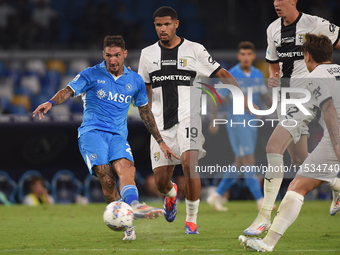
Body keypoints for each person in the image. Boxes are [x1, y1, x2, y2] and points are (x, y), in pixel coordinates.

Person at [33, 35, 178, 241]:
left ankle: (135, 205)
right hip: (92, 133)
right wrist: (50, 102)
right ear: (104, 55)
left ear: (124, 55)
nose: (113, 60)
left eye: (117, 55)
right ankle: (127, 225)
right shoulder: (91, 74)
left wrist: (161, 141)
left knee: (126, 168)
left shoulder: (135, 80)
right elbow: (68, 91)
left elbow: (145, 112)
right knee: (106, 176)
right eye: (109, 55)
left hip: (118, 136)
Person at [138, 6, 253, 234]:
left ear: (176, 24)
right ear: (155, 26)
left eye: (167, 24)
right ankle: (171, 195)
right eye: (159, 25)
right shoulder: (147, 54)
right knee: (161, 181)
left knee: (190, 166)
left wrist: (241, 99)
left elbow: (221, 73)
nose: (163, 29)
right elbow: (146, 90)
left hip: (188, 119)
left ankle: (191, 220)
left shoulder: (194, 50)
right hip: (161, 123)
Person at [244, 0, 340, 236]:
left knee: (273, 146)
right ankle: (337, 186)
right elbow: (273, 66)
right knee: (300, 160)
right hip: (288, 98)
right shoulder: (272, 29)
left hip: (308, 94)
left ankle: (264, 215)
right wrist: (273, 80)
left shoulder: (314, 23)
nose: (277, 3)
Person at [207, 41, 272, 212]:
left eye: (248, 54)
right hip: (237, 123)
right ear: (238, 56)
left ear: (252, 56)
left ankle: (216, 194)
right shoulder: (231, 75)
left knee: (239, 164)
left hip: (252, 124)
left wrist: (277, 111)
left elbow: (265, 97)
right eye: (242, 54)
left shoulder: (258, 74)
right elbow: (216, 98)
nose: (245, 57)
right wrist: (214, 119)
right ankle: (260, 200)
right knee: (248, 160)